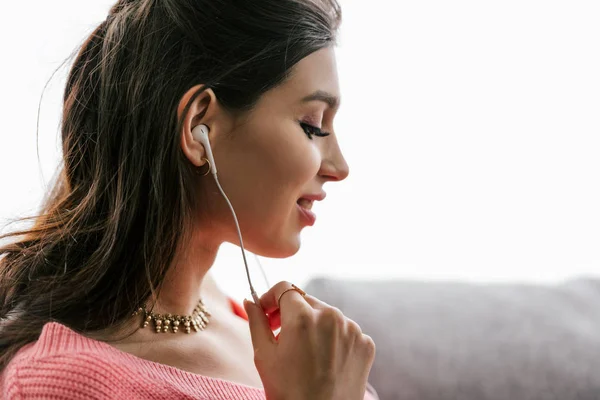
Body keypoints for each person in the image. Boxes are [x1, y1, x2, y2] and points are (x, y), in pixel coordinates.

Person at [0, 0, 378, 398]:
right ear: (201, 127)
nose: (340, 167)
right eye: (312, 125)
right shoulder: (60, 383)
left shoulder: (235, 315)